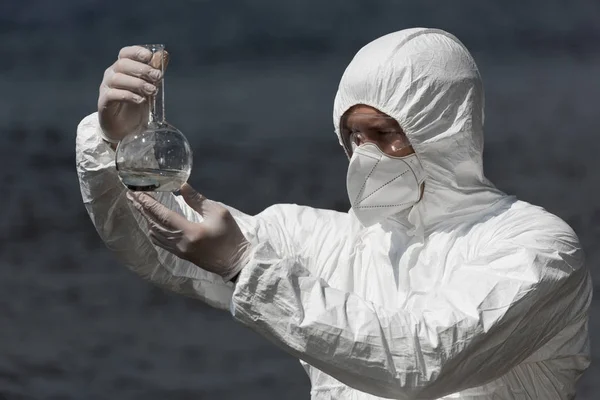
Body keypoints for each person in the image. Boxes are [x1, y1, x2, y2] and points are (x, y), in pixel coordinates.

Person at [76, 28, 592, 399]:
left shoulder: (537, 248)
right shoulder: (324, 240)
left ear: (444, 130)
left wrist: (247, 269)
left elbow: (423, 361)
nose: (364, 154)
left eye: (384, 134)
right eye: (353, 136)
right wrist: (120, 143)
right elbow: (160, 247)